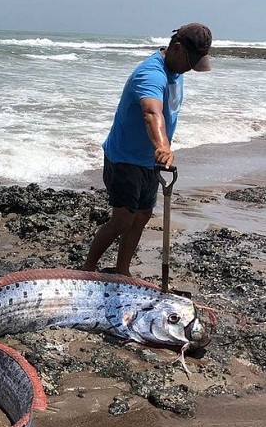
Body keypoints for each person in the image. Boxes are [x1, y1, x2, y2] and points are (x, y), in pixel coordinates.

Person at [83, 23, 212, 276]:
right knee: (122, 219)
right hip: (124, 157)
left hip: (147, 160)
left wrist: (160, 150)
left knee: (142, 215)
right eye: (191, 60)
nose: (191, 67)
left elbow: (167, 112)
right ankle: (87, 267)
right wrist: (163, 146)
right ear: (176, 48)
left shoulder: (177, 69)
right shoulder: (151, 73)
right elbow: (151, 113)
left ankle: (122, 270)